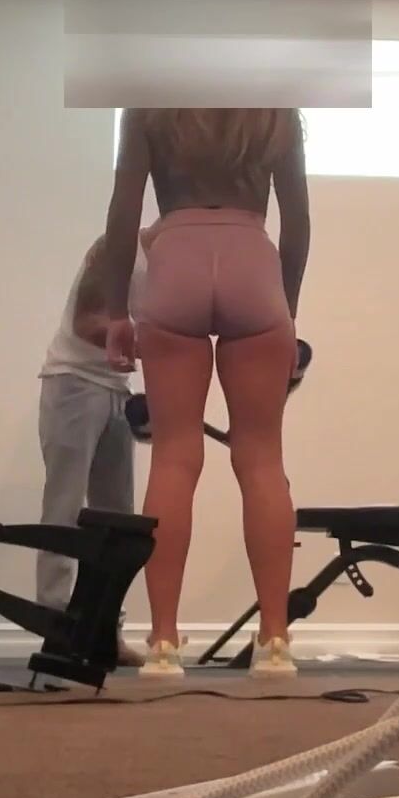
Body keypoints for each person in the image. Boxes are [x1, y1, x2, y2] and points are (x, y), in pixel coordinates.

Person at [97, 108, 309, 679]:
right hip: (252, 262)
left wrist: (116, 311)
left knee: (173, 457)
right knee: (262, 460)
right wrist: (286, 310)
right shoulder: (275, 108)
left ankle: (163, 642)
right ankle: (275, 639)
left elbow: (123, 213)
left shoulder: (149, 104)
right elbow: (297, 221)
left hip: (177, 259)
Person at [36, 233, 147, 667]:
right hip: (73, 383)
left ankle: (104, 631)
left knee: (118, 520)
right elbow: (87, 323)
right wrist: (154, 341)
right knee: (64, 508)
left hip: (116, 388)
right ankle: (55, 627)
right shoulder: (118, 249)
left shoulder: (178, 267)